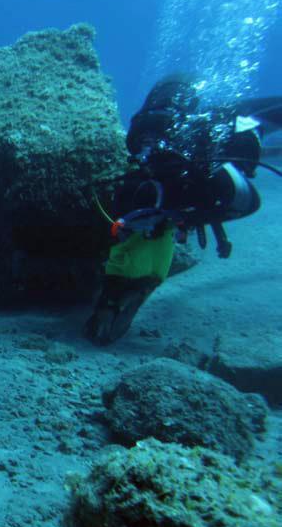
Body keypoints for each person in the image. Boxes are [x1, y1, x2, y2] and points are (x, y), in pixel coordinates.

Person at [84, 74, 282, 345]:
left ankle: (117, 294)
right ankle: (121, 292)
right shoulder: (210, 136)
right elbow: (244, 202)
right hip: (194, 181)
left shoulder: (190, 144)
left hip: (183, 185)